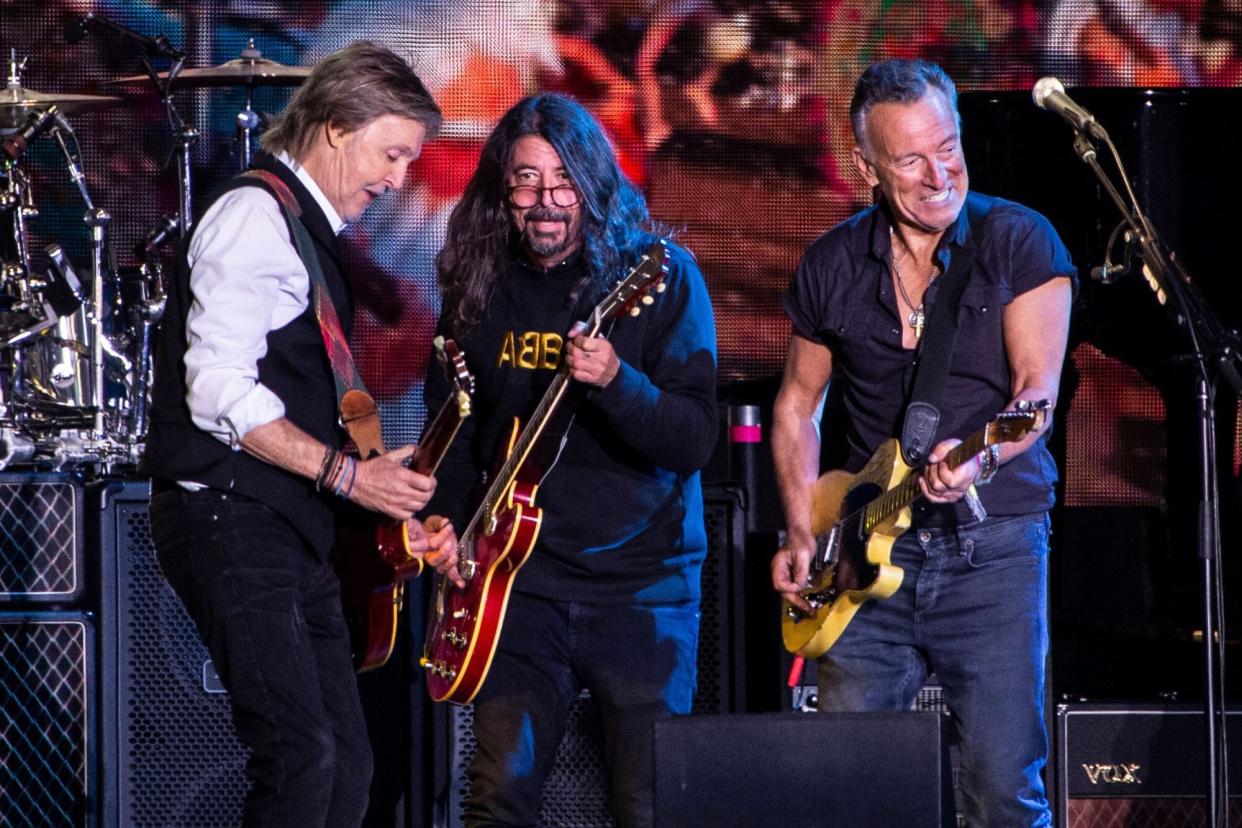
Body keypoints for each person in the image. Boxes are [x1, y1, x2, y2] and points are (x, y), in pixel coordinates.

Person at [141, 42, 458, 827]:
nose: (396, 179)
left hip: (289, 528)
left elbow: (305, 398)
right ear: (336, 127)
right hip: (231, 520)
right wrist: (350, 479)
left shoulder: (304, 230)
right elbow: (216, 390)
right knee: (301, 755)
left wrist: (383, 486)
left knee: (345, 762)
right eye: (391, 153)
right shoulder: (254, 215)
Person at [769, 59, 1074, 826]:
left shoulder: (1018, 242)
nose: (940, 173)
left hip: (992, 552)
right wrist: (803, 528)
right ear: (865, 165)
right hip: (866, 560)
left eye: (949, 146)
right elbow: (797, 408)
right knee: (855, 792)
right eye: (910, 159)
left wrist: (984, 454)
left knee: (1003, 792)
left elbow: (1034, 397)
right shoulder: (832, 264)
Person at [426, 93, 717, 827]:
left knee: (648, 807)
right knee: (499, 800)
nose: (546, 201)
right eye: (526, 180)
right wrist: (447, 527)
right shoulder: (479, 286)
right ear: (503, 190)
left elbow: (691, 438)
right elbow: (457, 433)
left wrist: (619, 383)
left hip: (642, 589)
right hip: (516, 590)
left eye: (563, 180)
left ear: (593, 183)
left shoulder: (661, 278)